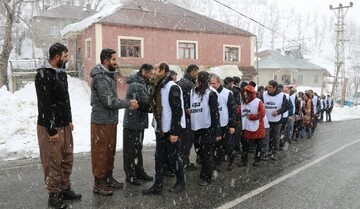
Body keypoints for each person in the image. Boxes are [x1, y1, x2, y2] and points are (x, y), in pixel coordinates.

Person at [35, 43, 81, 209]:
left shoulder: (62, 74)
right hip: (50, 126)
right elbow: (44, 104)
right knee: (53, 161)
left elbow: (65, 100)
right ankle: (53, 196)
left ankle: (64, 188)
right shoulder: (42, 74)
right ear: (57, 57)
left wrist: (68, 120)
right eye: (65, 57)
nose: (67, 60)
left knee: (67, 158)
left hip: (64, 124)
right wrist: (52, 128)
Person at [90, 48, 138, 196]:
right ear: (106, 61)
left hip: (110, 121)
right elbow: (109, 101)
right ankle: (99, 183)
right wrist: (129, 103)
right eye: (114, 60)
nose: (116, 63)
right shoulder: (100, 78)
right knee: (100, 153)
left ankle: (108, 177)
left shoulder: (108, 75)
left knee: (109, 152)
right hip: (101, 122)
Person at [142, 62, 186, 195]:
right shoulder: (158, 86)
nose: (153, 71)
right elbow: (153, 107)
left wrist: (174, 132)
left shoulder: (172, 87)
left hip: (170, 129)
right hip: (160, 128)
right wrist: (138, 105)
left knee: (173, 157)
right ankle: (158, 185)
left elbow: (177, 111)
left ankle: (181, 182)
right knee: (159, 157)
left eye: (156, 69)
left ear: (163, 71)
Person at [123, 64, 154, 186]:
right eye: (151, 73)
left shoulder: (142, 83)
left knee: (137, 149)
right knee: (130, 151)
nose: (152, 76)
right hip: (132, 123)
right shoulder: (136, 85)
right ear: (145, 72)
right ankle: (130, 175)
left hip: (138, 122)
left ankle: (139, 171)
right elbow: (147, 104)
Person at [190, 71, 221, 185]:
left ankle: (207, 176)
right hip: (197, 127)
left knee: (207, 153)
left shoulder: (211, 93)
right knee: (201, 153)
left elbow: (215, 113)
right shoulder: (193, 91)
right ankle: (207, 172)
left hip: (208, 127)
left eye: (198, 79)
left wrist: (217, 131)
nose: (196, 81)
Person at [210, 74, 236, 171]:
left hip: (225, 124)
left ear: (219, 83)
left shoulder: (227, 93)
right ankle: (218, 163)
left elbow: (232, 110)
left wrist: (232, 125)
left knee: (227, 145)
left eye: (214, 83)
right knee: (217, 146)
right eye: (210, 83)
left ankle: (231, 159)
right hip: (214, 125)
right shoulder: (210, 93)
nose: (212, 86)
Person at [177, 64, 199, 170]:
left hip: (183, 116)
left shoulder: (182, 81)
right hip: (187, 116)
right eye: (196, 72)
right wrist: (188, 109)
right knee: (187, 140)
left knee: (183, 141)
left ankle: (182, 160)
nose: (197, 75)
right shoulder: (189, 84)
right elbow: (189, 100)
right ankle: (184, 162)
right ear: (193, 71)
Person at [260, 80, 288, 160]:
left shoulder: (282, 95)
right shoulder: (264, 94)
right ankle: (264, 152)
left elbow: (286, 107)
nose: (268, 89)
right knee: (265, 137)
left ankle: (274, 153)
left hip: (277, 121)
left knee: (275, 137)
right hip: (266, 120)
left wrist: (278, 112)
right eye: (268, 87)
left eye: (270, 87)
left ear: (275, 88)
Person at [239, 85, 266, 167]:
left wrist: (252, 117)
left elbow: (262, 114)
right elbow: (240, 111)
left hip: (258, 128)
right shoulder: (243, 102)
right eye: (243, 92)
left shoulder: (258, 102)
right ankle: (244, 161)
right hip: (247, 127)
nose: (244, 93)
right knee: (245, 146)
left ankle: (257, 160)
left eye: (246, 92)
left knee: (258, 145)